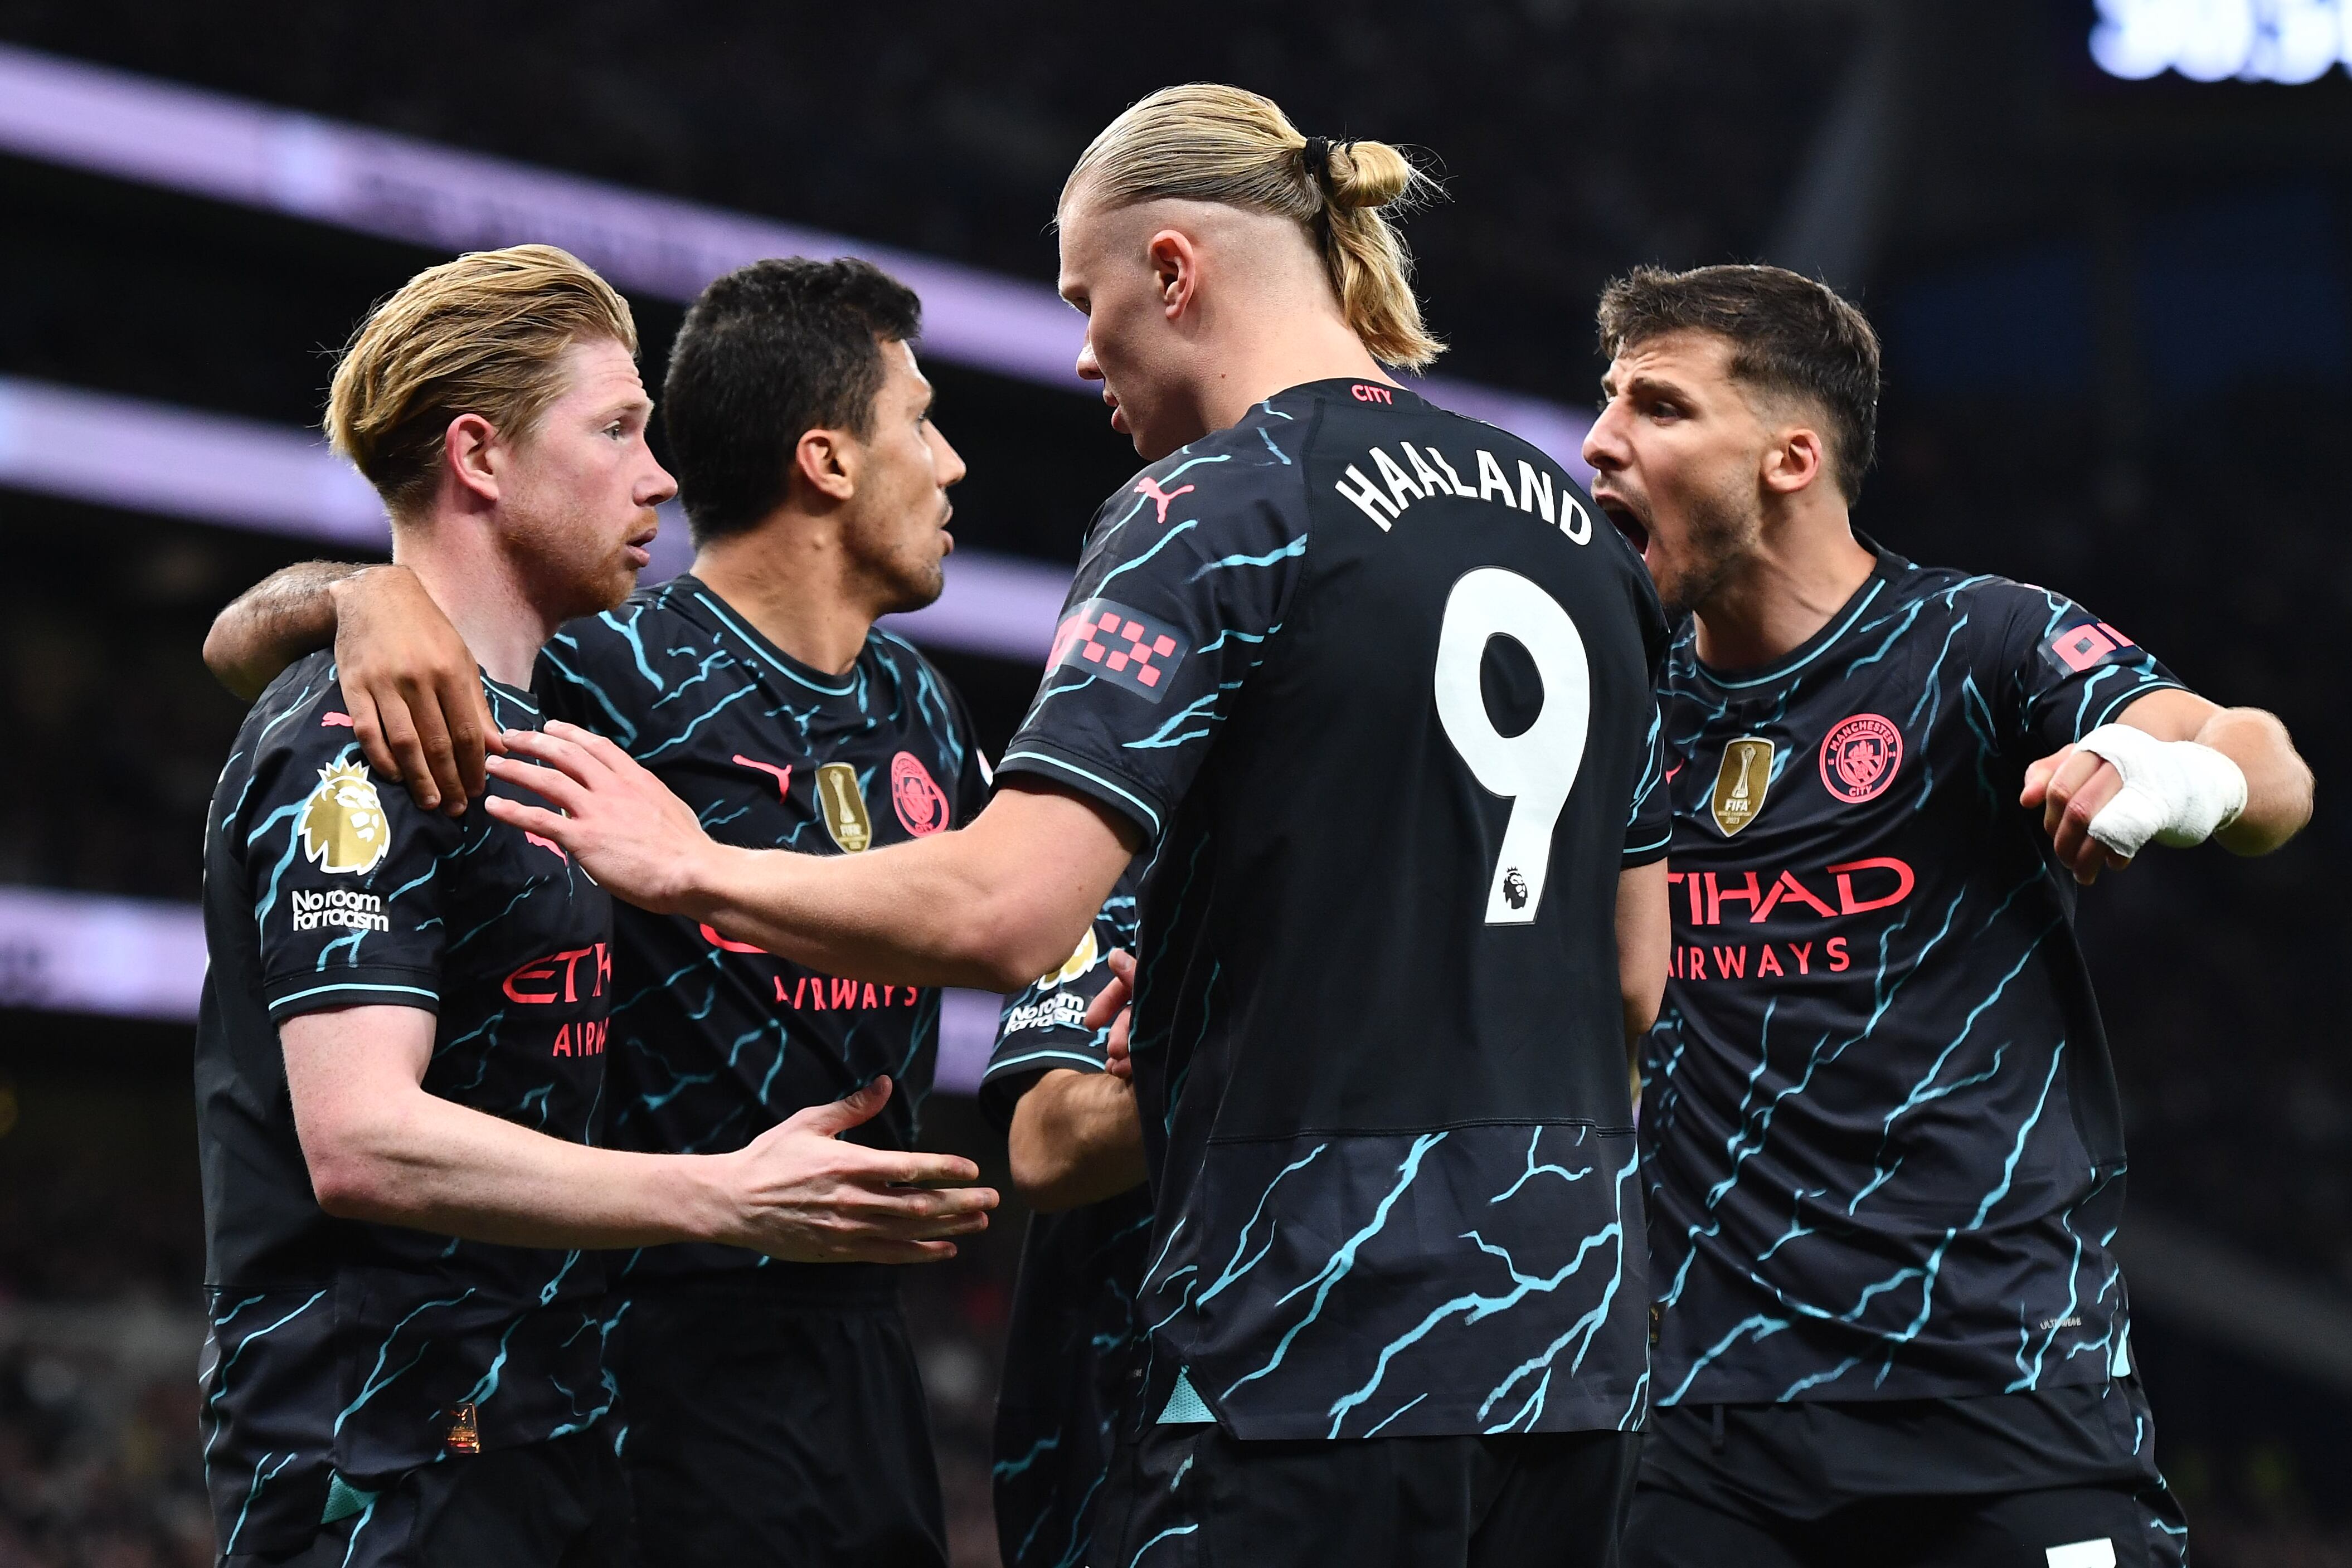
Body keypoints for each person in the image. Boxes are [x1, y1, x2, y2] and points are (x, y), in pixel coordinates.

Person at [474, 85, 1675, 1568]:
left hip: (1313, 1349)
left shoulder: (1213, 505)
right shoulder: (1574, 535)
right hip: (1576, 1353)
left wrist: (692, 861)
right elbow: (1634, 978)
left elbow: (1007, 913)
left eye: (1084, 297)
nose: (1084, 350)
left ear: (1172, 272)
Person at [201, 256, 1000, 1567]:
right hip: (413, 1447)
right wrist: (358, 593)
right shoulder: (423, 716)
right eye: (617, 432)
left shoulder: (544, 731)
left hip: (573, 1425)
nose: (661, 476)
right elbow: (358, 1139)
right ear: (480, 455)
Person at [1576, 264, 2315, 1568]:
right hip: (1712, 1431)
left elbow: (2265, 770)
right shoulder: (1616, 708)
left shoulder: (1974, 643)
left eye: (1657, 405)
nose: (1599, 439)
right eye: (1606, 398)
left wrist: (2172, 772)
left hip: (2001, 1404)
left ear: (1788, 456)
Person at [980, 876, 1152, 1568]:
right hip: (1165, 1412)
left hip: (1462, 1389)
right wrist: (1204, 1039)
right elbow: (1042, 1149)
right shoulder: (1132, 859)